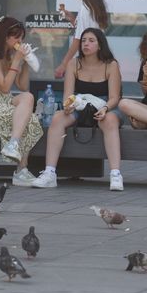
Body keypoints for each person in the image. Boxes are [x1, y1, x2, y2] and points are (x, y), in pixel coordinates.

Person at [33, 28, 125, 191]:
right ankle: (50, 173)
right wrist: (68, 106)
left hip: (104, 105)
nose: (86, 44)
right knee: (57, 118)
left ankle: (115, 174)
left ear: (100, 45)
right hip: (80, 103)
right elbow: (68, 95)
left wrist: (105, 108)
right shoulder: (73, 63)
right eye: (83, 40)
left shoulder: (111, 65)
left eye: (91, 40)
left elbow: (114, 98)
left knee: (110, 120)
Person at [0, 16, 43, 186]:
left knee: (28, 97)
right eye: (17, 37)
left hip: (4, 102)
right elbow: (4, 87)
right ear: (5, 36)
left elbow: (23, 86)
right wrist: (17, 61)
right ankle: (21, 170)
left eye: (22, 38)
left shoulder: (9, 56)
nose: (20, 41)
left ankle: (13, 144)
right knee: (30, 118)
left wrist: (25, 63)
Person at [55, 0, 108, 79]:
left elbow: (79, 39)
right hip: (95, 57)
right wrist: (73, 19)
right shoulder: (96, 5)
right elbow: (90, 30)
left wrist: (64, 64)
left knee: (77, 95)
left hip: (85, 59)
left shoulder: (85, 8)